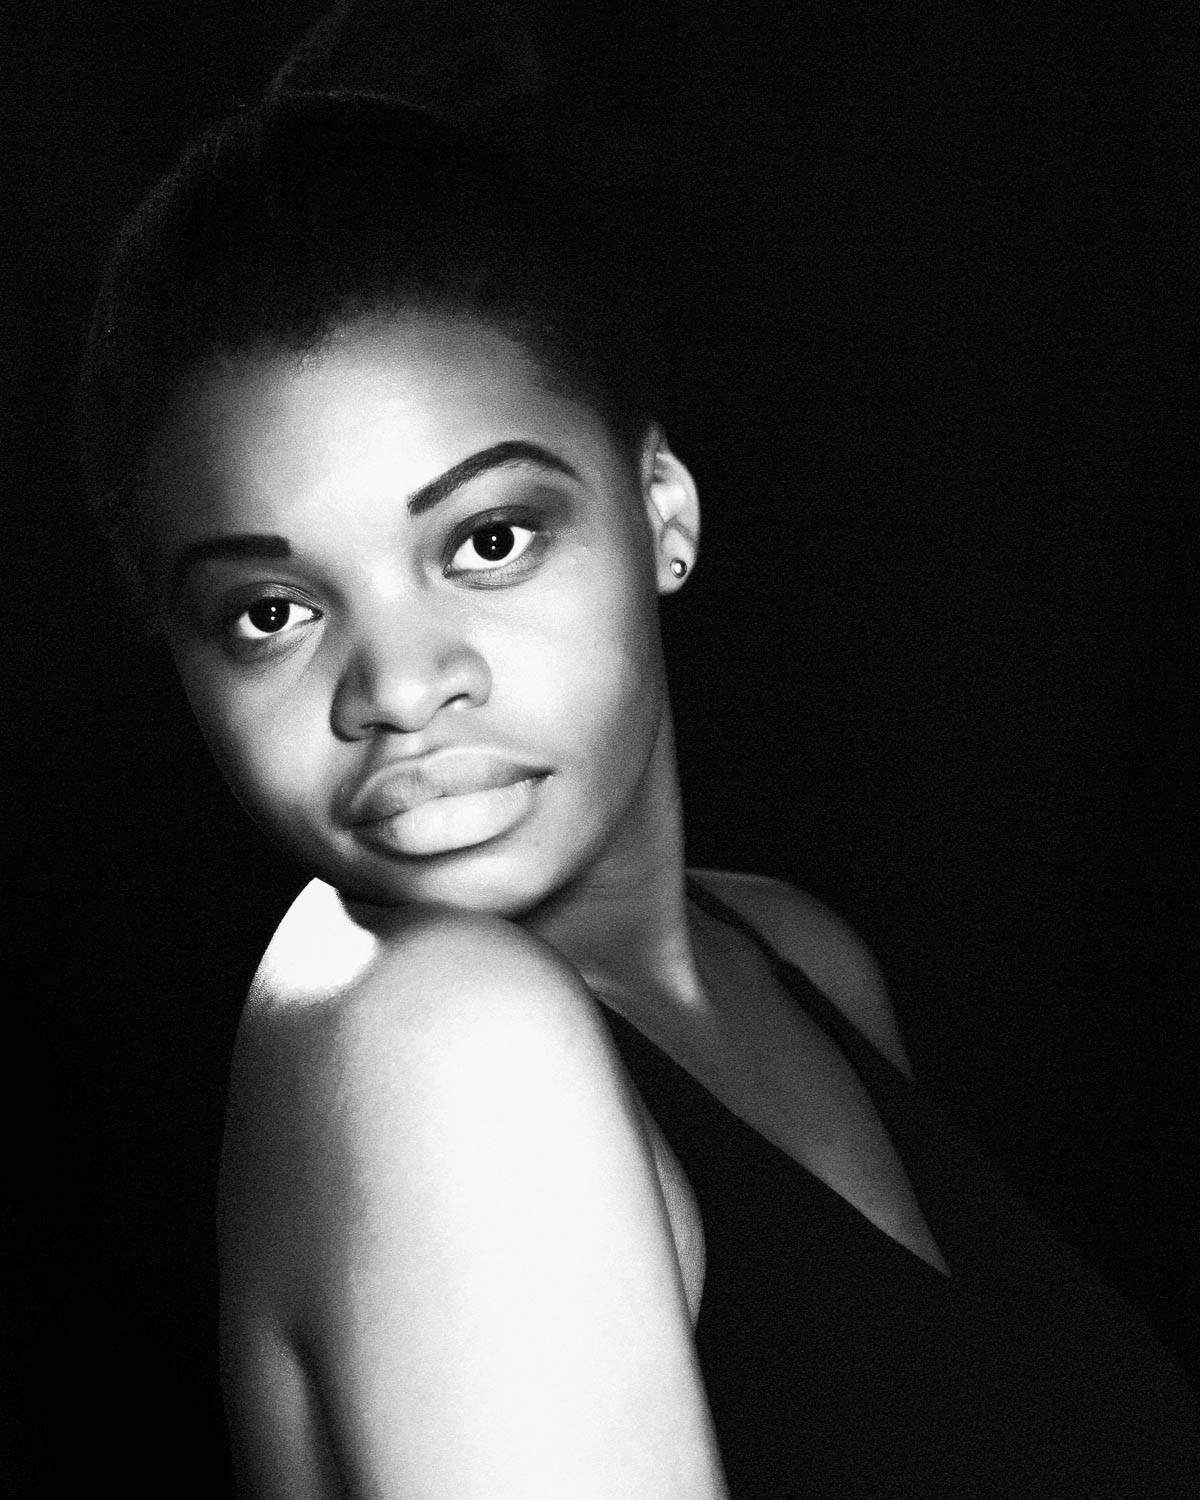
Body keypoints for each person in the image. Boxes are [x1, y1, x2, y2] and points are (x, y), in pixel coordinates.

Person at [80, 89, 1200, 1498]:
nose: (401, 686)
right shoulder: (444, 1040)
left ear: (658, 511)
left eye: (487, 538)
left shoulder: (794, 959)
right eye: (269, 611)